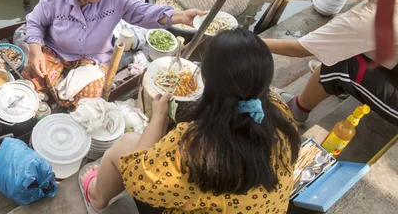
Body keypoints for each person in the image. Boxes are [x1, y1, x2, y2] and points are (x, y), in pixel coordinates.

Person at [79, 29, 300, 213]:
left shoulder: (196, 146)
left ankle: (97, 198)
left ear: (204, 78)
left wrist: (159, 117)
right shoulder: (279, 110)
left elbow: (139, 176)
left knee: (125, 144)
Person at [23, 0, 201, 106]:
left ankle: (63, 91)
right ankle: (56, 87)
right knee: (35, 72)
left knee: (91, 96)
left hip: (94, 57)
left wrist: (180, 17)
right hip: (57, 51)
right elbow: (35, 22)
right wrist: (36, 51)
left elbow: (142, 12)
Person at [262, 0, 398, 126]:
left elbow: (300, 49)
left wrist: (250, 41)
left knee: (340, 64)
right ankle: (344, 86)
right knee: (335, 54)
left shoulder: (368, 18)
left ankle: (296, 111)